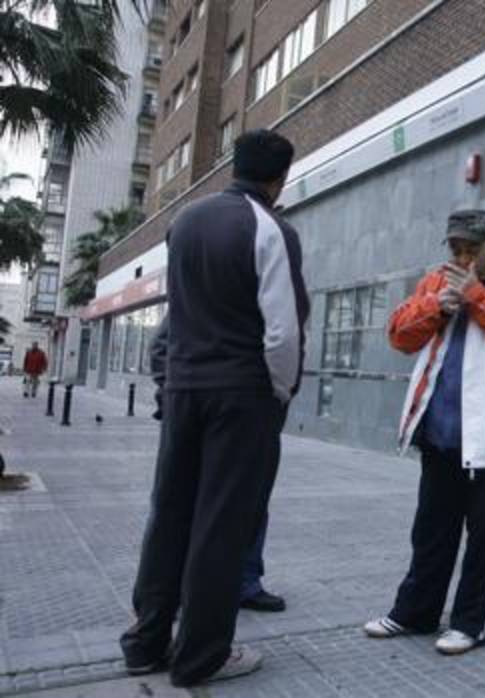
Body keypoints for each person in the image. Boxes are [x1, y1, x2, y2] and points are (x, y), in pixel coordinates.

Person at [120, 130, 310, 686]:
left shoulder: (187, 222)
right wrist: (280, 392)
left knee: (170, 514)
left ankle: (145, 640)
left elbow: (177, 312)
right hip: (241, 393)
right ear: (278, 180)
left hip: (183, 390)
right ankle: (201, 654)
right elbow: (283, 332)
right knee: (222, 524)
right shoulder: (272, 228)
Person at [365, 210, 485, 655]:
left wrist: (478, 298)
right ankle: (415, 612)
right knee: (431, 530)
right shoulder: (436, 282)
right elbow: (399, 335)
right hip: (441, 433)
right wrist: (435, 307)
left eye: (472, 249)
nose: (463, 257)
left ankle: (473, 621)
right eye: (456, 249)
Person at [149, 316, 287, 613]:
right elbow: (160, 347)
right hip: (201, 419)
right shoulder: (204, 287)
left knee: (253, 505)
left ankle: (246, 582)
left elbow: (285, 347)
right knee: (190, 507)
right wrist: (173, 397)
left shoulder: (260, 298)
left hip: (255, 421)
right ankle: (178, 594)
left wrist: (275, 401)